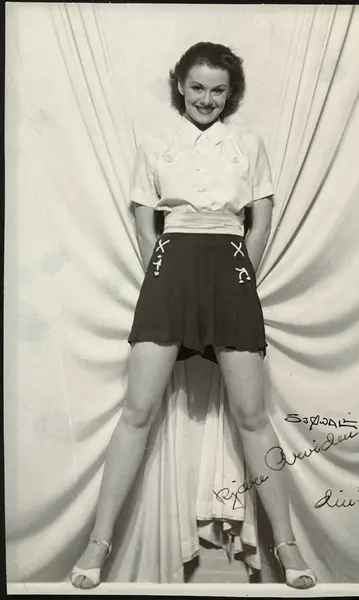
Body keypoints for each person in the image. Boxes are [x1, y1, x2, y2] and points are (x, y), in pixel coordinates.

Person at [70, 41, 317, 590]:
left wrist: (240, 277)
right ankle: (98, 544)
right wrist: (164, 274)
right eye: (198, 87)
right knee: (138, 410)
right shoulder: (155, 145)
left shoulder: (248, 145)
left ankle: (288, 547)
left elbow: (259, 223)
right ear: (181, 85)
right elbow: (145, 227)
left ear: (231, 94)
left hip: (230, 271)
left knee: (252, 415)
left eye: (218, 90)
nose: (207, 99)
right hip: (171, 269)